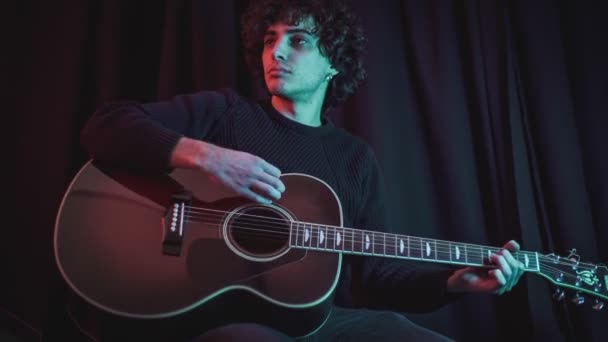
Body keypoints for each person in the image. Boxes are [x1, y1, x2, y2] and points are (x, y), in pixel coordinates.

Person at [75, 0, 525, 341]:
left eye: (298, 40)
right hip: (220, 314)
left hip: (316, 323)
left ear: (333, 63)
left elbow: (377, 276)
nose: (278, 51)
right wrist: (207, 156)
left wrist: (456, 281)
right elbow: (106, 126)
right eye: (270, 39)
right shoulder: (227, 115)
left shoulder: (354, 159)